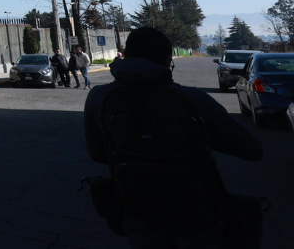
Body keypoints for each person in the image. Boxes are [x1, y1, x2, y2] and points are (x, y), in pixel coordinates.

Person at [83, 27, 263, 248]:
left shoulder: (99, 97)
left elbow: (97, 153)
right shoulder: (192, 98)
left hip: (136, 208)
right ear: (168, 60)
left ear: (124, 55)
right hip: (196, 209)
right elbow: (253, 150)